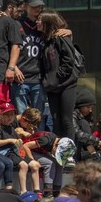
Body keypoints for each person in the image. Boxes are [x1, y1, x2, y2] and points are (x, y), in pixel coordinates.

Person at [38, 9, 78, 140]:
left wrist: (58, 76)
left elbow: (69, 60)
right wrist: (47, 80)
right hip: (52, 86)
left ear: (47, 23)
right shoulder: (45, 40)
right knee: (55, 120)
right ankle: (59, 151)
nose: (37, 22)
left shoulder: (60, 38)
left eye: (40, 20)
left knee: (66, 119)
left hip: (67, 84)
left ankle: (70, 152)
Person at [11, 0, 47, 116]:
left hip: (38, 78)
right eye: (34, 6)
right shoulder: (16, 24)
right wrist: (13, 68)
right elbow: (7, 48)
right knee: (22, 117)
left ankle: (40, 136)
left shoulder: (44, 24)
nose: (38, 9)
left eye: (39, 6)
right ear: (25, 6)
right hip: (20, 77)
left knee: (39, 116)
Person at [0, 102, 41, 194]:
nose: (10, 117)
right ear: (0, 115)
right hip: (6, 153)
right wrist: (11, 140)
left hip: (17, 152)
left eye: (11, 114)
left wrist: (21, 139)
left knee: (36, 165)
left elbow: (18, 138)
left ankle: (37, 192)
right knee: (24, 165)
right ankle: (23, 191)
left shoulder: (11, 127)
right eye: (6, 115)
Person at [73, 88, 101, 162]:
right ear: (81, 106)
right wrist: (97, 141)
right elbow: (78, 134)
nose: (90, 110)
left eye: (91, 108)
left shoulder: (86, 118)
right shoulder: (73, 116)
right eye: (88, 107)